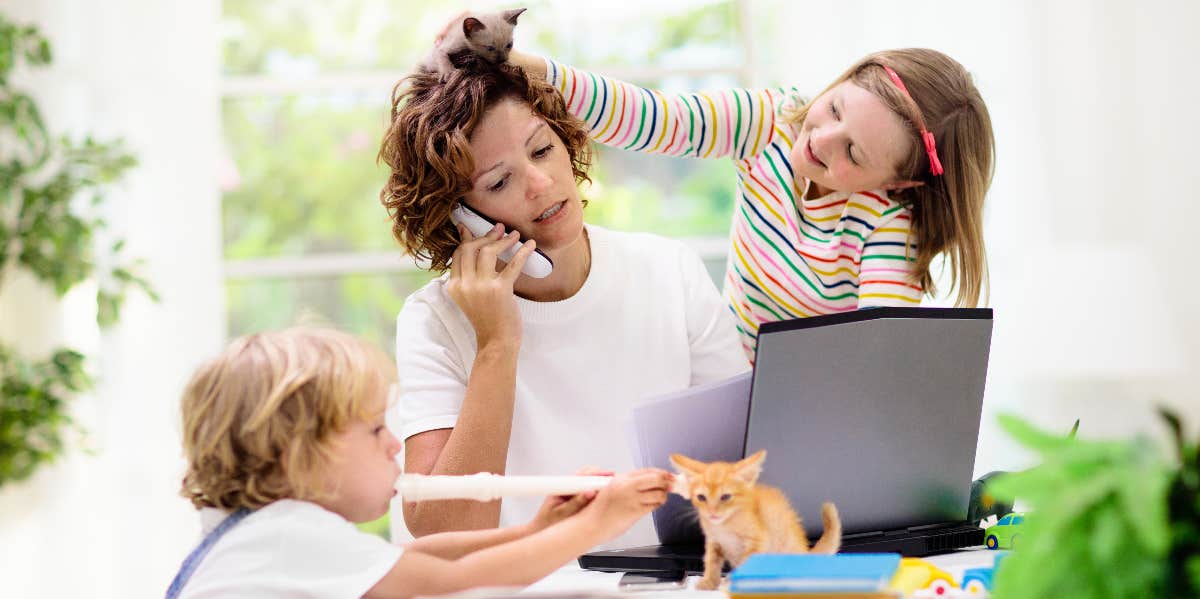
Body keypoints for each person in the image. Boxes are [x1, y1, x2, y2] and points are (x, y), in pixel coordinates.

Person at [376, 57, 749, 545]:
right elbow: (443, 533)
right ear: (457, 218)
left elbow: (748, 464)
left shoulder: (668, 270)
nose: (540, 182)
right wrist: (496, 344)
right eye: (499, 182)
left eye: (541, 149)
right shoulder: (434, 321)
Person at [503, 46, 995, 359]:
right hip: (722, 371)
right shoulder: (771, 122)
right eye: (835, 109)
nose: (821, 139)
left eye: (853, 152)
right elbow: (653, 119)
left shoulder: (887, 223)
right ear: (843, 78)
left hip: (807, 405)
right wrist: (533, 68)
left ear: (898, 183)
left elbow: (877, 354)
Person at [170, 327, 674, 598]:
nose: (394, 443)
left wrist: (537, 529)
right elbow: (456, 586)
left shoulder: (267, 533)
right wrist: (598, 526)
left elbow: (422, 560)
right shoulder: (285, 537)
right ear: (298, 455)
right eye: (373, 429)